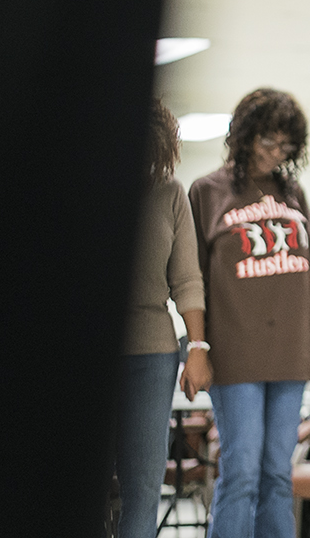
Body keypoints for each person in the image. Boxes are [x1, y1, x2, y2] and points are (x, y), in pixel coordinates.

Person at [189, 88, 310, 538]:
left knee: (278, 474)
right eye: (267, 142)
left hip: (291, 355)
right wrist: (198, 345)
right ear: (244, 136)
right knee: (241, 473)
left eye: (285, 146)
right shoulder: (207, 191)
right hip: (236, 354)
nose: (276, 154)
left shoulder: (292, 193)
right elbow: (191, 280)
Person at [113, 99, 212, 538]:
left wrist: (198, 349)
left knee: (144, 484)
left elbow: (188, 279)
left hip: (150, 354)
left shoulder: (169, 192)